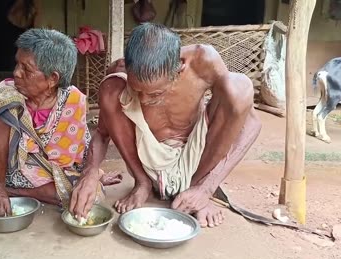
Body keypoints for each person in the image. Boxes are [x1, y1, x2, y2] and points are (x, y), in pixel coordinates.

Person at [69, 23, 261, 228]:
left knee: (239, 87)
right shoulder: (120, 72)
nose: (143, 101)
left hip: (196, 156)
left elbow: (252, 124)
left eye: (155, 94)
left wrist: (206, 187)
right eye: (137, 91)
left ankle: (196, 190)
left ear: (179, 68)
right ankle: (143, 184)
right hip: (147, 159)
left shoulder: (203, 61)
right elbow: (102, 133)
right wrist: (90, 172)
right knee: (110, 86)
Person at [0, 29, 120, 227]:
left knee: (87, 194)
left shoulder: (73, 101)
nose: (16, 72)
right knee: (4, 108)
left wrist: (92, 174)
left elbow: (77, 154)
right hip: (5, 170)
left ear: (53, 78)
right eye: (17, 63)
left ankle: (8, 191)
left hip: (49, 173)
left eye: (26, 69)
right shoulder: (3, 94)